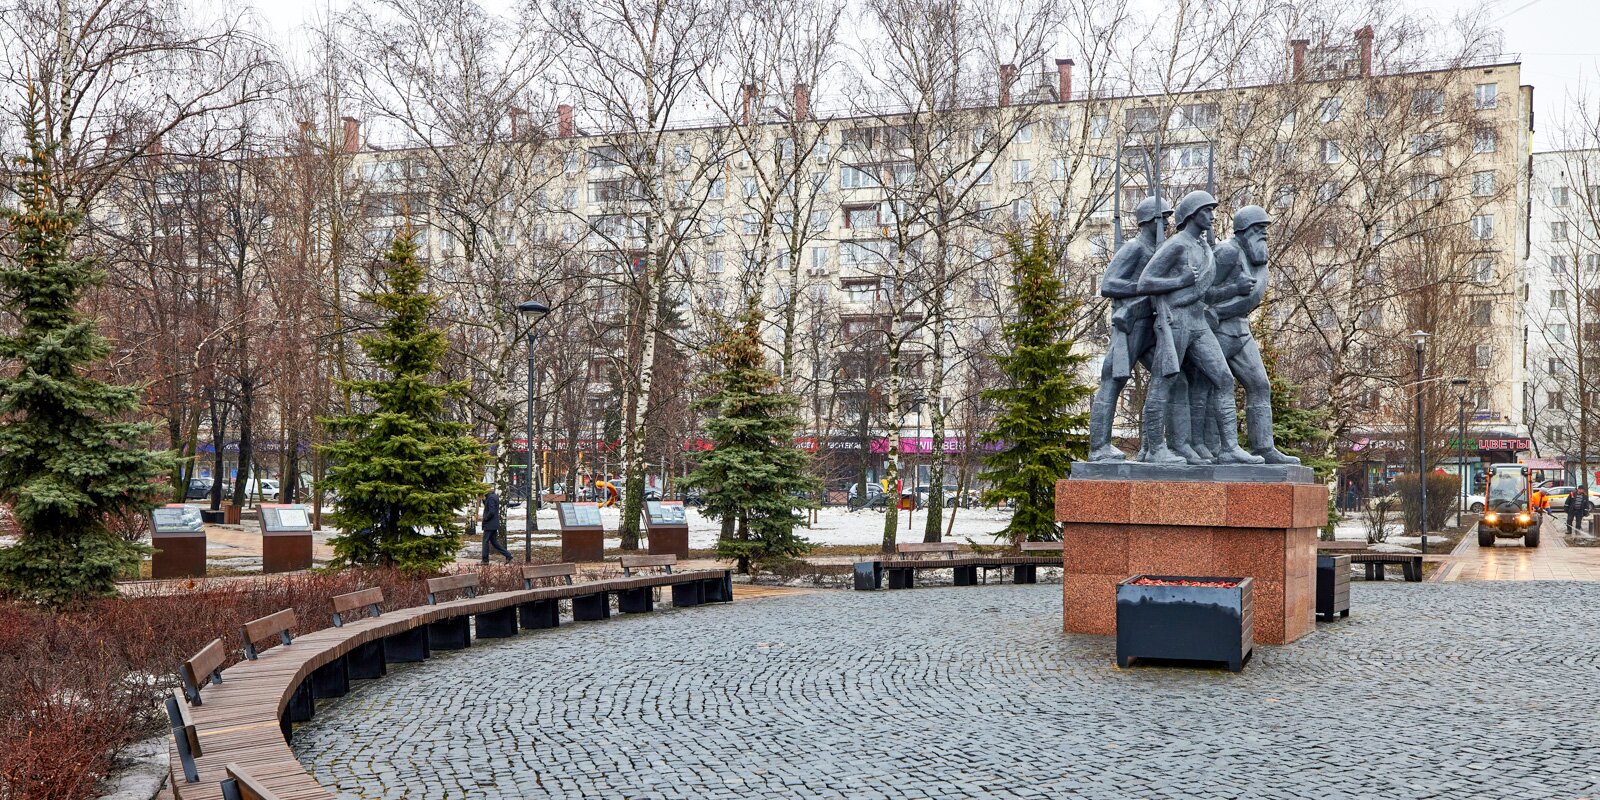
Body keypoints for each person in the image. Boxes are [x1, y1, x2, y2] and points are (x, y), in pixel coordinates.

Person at [480, 489, 513, 563]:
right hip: (493, 524)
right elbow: (488, 506)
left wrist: (485, 518)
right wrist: (483, 499)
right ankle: (508, 555)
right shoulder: (493, 496)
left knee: (485, 541)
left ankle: (485, 560)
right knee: (494, 542)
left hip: (490, 524)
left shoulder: (491, 498)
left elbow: (491, 511)